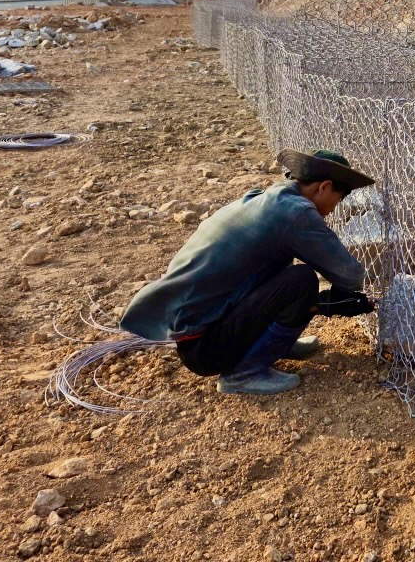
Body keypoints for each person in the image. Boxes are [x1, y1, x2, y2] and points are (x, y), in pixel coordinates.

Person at [119, 148, 376, 395]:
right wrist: (333, 300)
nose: (335, 208)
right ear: (325, 187)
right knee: (301, 279)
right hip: (206, 349)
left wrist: (325, 303)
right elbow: (350, 275)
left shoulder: (264, 198)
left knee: (289, 274)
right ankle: (243, 373)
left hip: (196, 335)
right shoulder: (296, 213)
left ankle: (274, 344)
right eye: (340, 199)